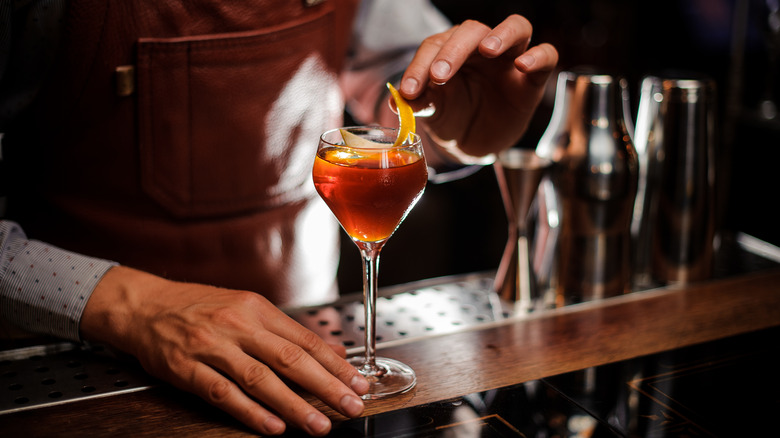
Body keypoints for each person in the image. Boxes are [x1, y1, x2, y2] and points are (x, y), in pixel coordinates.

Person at [0, 0, 557, 435]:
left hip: (311, 360)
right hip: (91, 372)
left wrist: (454, 131)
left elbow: (398, 94)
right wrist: (132, 308)